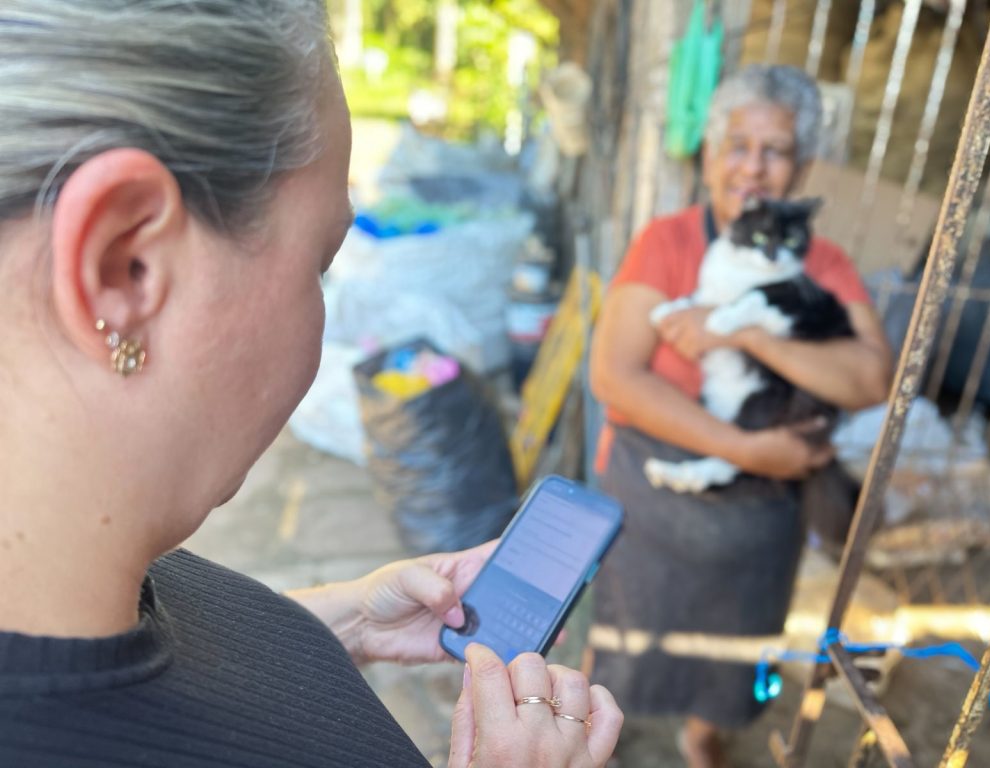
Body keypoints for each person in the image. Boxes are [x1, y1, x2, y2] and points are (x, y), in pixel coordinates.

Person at [0, 2, 623, 766]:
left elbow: (146, 671)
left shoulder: (88, 562)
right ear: (125, 268)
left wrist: (335, 624)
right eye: (319, 263)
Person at [586, 65, 893, 768]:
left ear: (801, 166)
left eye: (775, 150)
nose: (753, 167)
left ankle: (703, 737)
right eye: (738, 146)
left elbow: (871, 378)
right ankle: (594, 731)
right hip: (654, 490)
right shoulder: (666, 242)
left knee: (734, 650)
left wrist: (748, 335)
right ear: (709, 155)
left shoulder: (822, 262)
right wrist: (745, 449)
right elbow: (615, 376)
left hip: (761, 514)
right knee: (624, 635)